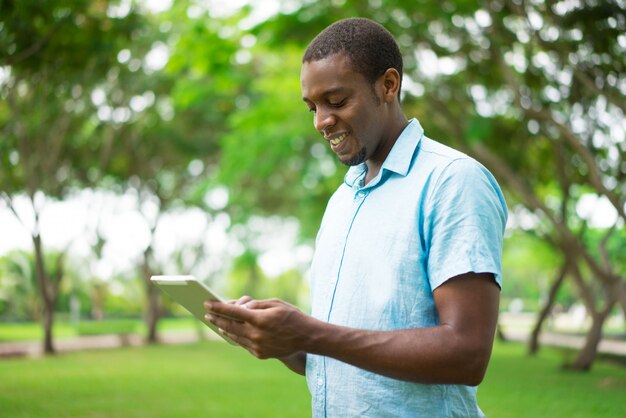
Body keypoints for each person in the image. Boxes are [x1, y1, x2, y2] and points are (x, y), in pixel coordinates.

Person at [205, 17, 507, 417]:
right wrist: (280, 339)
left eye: (336, 100)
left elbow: (467, 354)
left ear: (388, 85)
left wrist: (311, 332)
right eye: (312, 107)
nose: (320, 121)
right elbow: (336, 355)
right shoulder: (343, 200)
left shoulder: (452, 181)